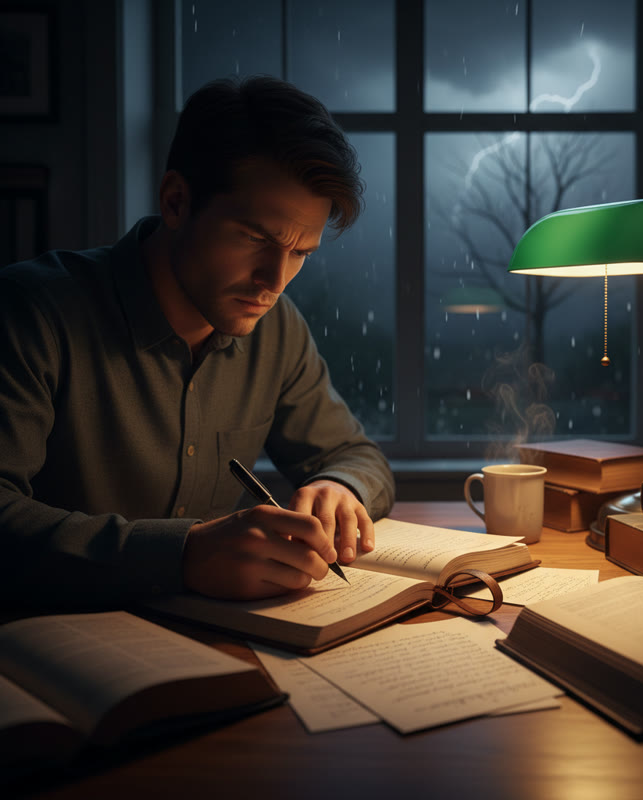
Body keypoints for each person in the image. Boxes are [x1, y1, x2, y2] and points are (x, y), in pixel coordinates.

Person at [0, 76, 395, 608]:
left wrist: (341, 486)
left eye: (301, 252)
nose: (275, 281)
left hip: (216, 638)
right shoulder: (31, 312)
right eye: (255, 238)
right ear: (176, 201)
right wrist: (181, 555)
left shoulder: (276, 328)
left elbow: (356, 455)